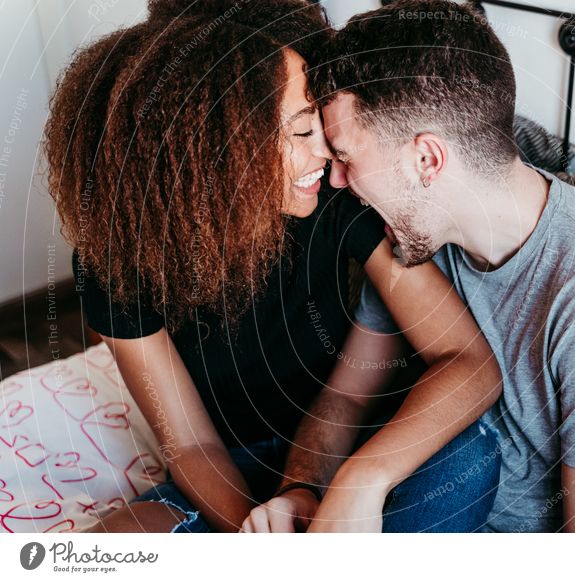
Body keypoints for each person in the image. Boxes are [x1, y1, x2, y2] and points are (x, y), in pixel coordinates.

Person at [44, 0, 502, 533]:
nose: (328, 153)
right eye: (301, 133)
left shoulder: (336, 199)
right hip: (236, 465)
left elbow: (466, 361)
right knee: (113, 540)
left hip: (362, 441)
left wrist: (350, 484)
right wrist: (263, 538)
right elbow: (191, 445)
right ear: (215, 147)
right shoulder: (117, 260)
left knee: (468, 459)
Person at [261, 0, 575, 533]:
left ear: (426, 159)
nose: (336, 181)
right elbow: (349, 396)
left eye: (348, 157)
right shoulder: (416, 236)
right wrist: (301, 489)